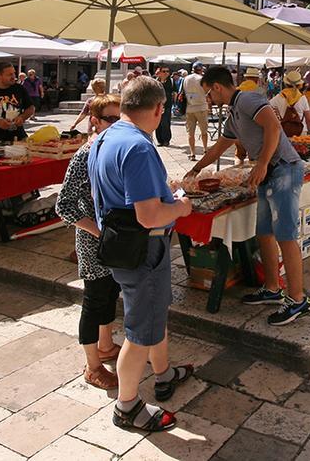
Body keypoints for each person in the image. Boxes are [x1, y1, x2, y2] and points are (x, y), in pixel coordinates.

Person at [88, 76, 194, 433]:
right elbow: (148, 215)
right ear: (159, 109)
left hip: (120, 245)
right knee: (139, 332)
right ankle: (127, 405)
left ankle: (163, 373)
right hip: (143, 250)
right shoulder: (139, 147)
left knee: (150, 316)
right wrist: (180, 208)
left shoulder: (105, 137)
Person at [189, 66, 310, 325]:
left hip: (284, 170)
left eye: (209, 94)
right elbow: (218, 147)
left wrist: (262, 163)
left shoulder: (247, 99)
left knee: (286, 236)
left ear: (218, 87)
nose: (209, 100)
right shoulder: (234, 113)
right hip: (269, 174)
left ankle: (298, 300)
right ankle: (271, 288)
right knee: (264, 233)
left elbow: (273, 127)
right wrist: (195, 170)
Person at [56, 92, 124, 391]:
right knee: (95, 300)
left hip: (111, 240)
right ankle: (92, 365)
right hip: (93, 242)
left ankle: (106, 346)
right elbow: (64, 205)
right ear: (94, 121)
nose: (117, 124)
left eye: (120, 118)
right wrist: (98, 232)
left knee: (110, 293)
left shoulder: (113, 149)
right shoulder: (85, 154)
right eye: (111, 119)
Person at [269, 70, 310, 136]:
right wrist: (308, 130)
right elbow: (309, 119)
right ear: (299, 85)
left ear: (286, 84)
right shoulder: (302, 98)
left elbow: (269, 110)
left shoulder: (277, 98)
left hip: (284, 131)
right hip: (301, 131)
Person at [183, 61, 208, 161]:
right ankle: (205, 150)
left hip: (190, 108)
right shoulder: (202, 79)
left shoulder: (186, 78)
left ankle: (192, 153)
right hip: (201, 107)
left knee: (190, 133)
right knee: (204, 132)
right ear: (201, 69)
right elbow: (207, 91)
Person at [155, 66, 174, 146]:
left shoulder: (171, 81)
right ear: (159, 73)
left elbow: (174, 92)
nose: (166, 73)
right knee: (158, 123)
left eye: (167, 71)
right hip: (157, 105)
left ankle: (166, 140)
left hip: (167, 105)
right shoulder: (156, 82)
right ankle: (159, 140)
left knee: (165, 123)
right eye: (164, 71)